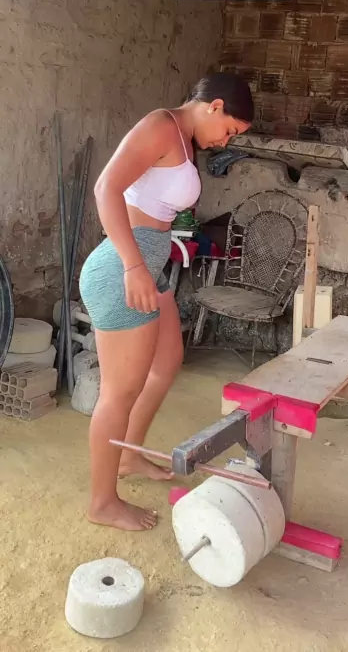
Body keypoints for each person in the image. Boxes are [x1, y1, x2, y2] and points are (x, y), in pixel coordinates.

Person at [79, 72, 254, 532]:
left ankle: (128, 457)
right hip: (124, 270)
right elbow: (106, 188)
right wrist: (134, 267)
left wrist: (145, 266)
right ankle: (102, 503)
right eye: (230, 130)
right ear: (215, 106)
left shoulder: (182, 138)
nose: (225, 141)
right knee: (119, 393)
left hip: (148, 264)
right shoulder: (160, 124)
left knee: (166, 362)